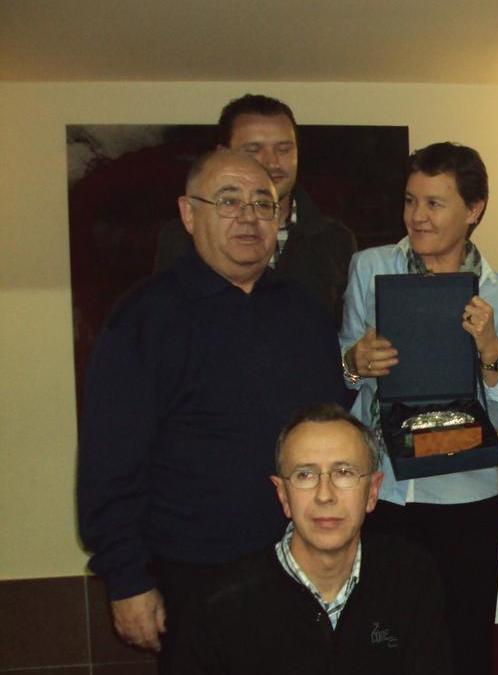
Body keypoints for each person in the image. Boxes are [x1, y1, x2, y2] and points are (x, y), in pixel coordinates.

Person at [77, 149, 346, 671]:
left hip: (303, 571)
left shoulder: (304, 311)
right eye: (229, 201)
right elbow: (110, 463)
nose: (248, 217)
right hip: (193, 577)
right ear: (188, 213)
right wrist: (127, 579)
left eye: (263, 204)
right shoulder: (144, 318)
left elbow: (331, 431)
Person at [339, 141, 498, 675]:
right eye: (411, 200)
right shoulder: (368, 268)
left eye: (435, 203)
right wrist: (355, 362)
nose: (417, 215)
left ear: (474, 209)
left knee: (463, 646)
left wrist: (489, 348)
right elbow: (344, 378)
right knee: (381, 645)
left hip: (466, 498)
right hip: (384, 493)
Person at [174, 403, 452, 675]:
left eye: (344, 473)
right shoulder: (219, 604)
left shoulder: (411, 577)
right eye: (305, 475)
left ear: (372, 491)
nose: (324, 495)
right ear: (282, 495)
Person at [155, 93, 356, 324]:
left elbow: (344, 338)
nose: (271, 163)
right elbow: (163, 326)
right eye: (254, 149)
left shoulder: (335, 240)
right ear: (222, 153)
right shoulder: (183, 236)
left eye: (284, 149)